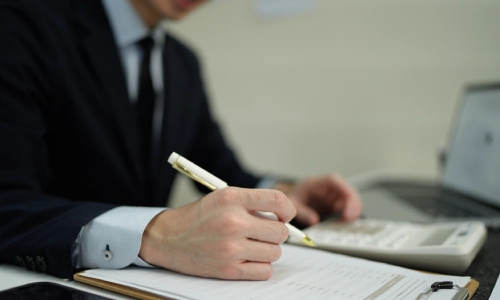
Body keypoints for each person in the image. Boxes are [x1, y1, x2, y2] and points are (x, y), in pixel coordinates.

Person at [0, 0, 362, 281]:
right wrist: (153, 235)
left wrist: (283, 191)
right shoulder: (22, 25)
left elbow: (217, 170)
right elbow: (9, 202)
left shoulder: (182, 63)